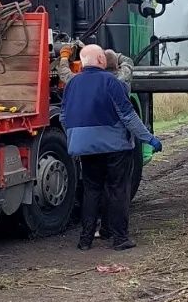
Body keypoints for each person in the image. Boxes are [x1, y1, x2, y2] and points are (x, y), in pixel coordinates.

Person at [60, 44, 162, 252]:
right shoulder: (112, 82)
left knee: (91, 191)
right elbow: (128, 116)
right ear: (101, 61)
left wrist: (76, 138)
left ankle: (85, 240)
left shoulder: (72, 83)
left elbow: (64, 116)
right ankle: (120, 238)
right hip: (115, 146)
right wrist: (149, 138)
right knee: (117, 191)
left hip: (85, 147)